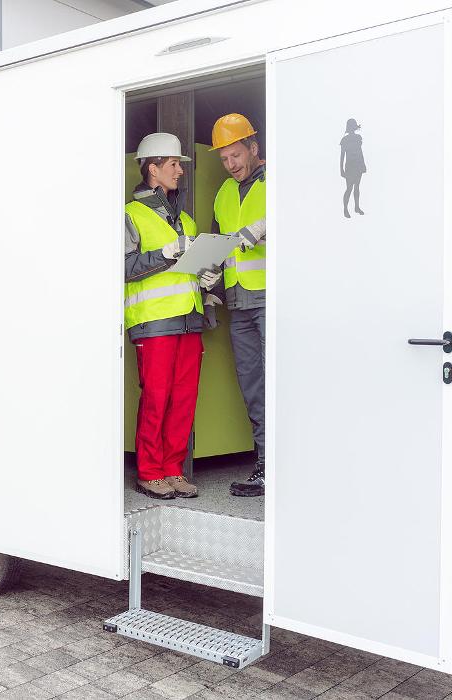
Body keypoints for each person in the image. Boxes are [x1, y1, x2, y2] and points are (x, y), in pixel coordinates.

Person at [125, 133, 221, 500]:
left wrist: (207, 278)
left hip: (189, 320)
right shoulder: (131, 215)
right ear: (153, 169)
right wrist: (166, 253)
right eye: (174, 164)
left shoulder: (186, 221)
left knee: (183, 400)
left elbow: (188, 270)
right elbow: (123, 267)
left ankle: (172, 470)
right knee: (156, 398)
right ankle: (150, 472)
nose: (180, 171)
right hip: (153, 322)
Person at [210, 114, 268, 497]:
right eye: (224, 159)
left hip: (272, 298)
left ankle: (294, 464)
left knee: (282, 381)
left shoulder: (280, 182)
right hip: (239, 302)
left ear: (253, 148)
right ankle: (265, 464)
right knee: (253, 386)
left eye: (236, 155)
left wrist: (268, 226)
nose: (231, 164)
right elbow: (219, 245)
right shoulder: (223, 193)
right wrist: (210, 278)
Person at [340, 118, 366, 218]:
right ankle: (345, 209)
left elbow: (360, 152)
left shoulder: (358, 138)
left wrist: (363, 164)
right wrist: (341, 169)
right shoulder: (345, 140)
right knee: (349, 188)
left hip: (358, 165)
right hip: (350, 166)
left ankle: (356, 207)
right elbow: (342, 156)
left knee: (357, 187)